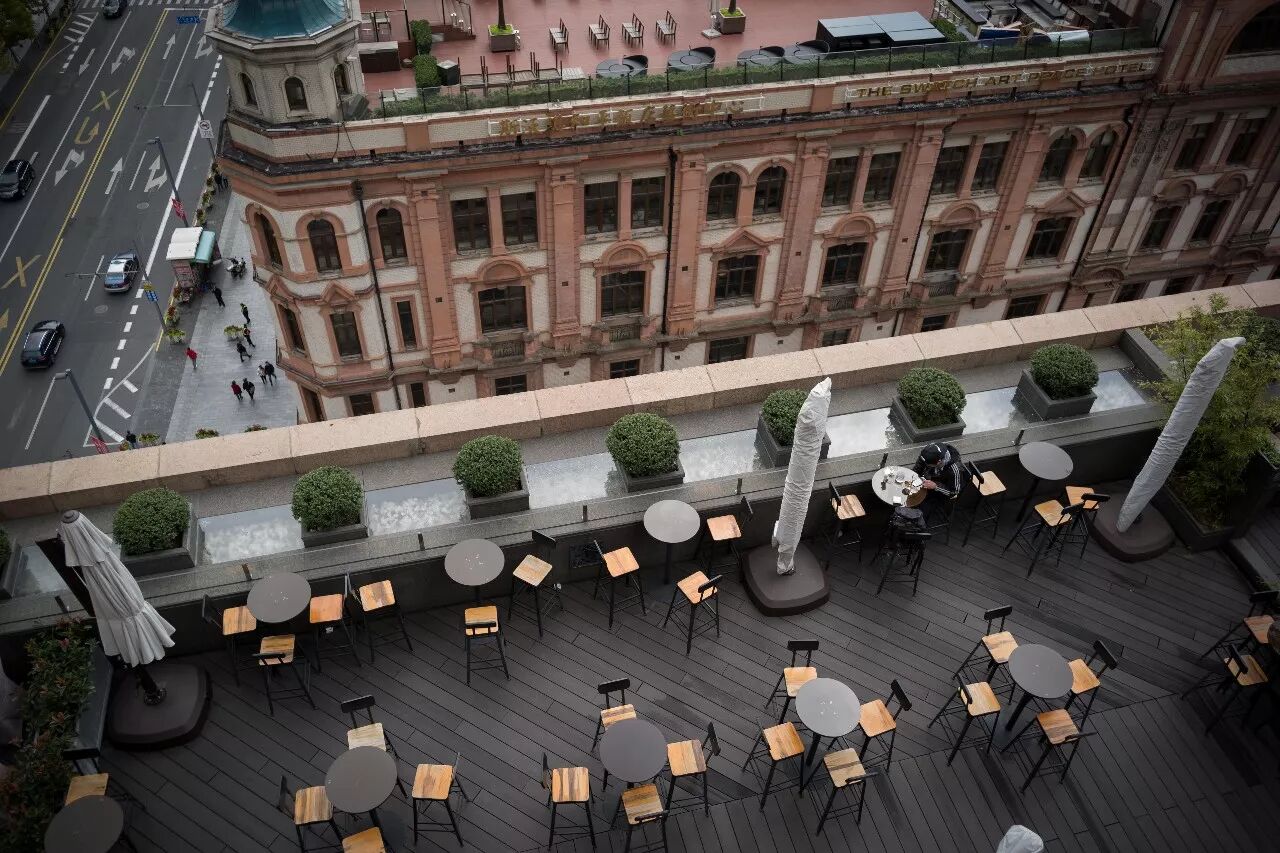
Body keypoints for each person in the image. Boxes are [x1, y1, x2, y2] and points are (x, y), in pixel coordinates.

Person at [912, 442, 964, 518]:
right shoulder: (928, 453)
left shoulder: (955, 470)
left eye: (929, 465)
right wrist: (913, 477)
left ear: (939, 462)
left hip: (939, 494)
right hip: (927, 482)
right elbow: (918, 467)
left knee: (922, 511)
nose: (926, 465)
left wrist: (935, 486)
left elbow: (954, 492)